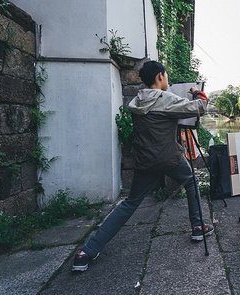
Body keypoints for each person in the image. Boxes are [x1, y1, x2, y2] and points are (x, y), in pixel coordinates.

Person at [73, 61, 211, 271]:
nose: (167, 80)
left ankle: (87, 251)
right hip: (169, 158)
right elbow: (201, 107)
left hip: (145, 161)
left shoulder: (137, 100)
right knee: (191, 182)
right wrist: (196, 93)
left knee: (130, 203)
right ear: (159, 76)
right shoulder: (165, 98)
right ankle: (198, 226)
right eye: (165, 76)